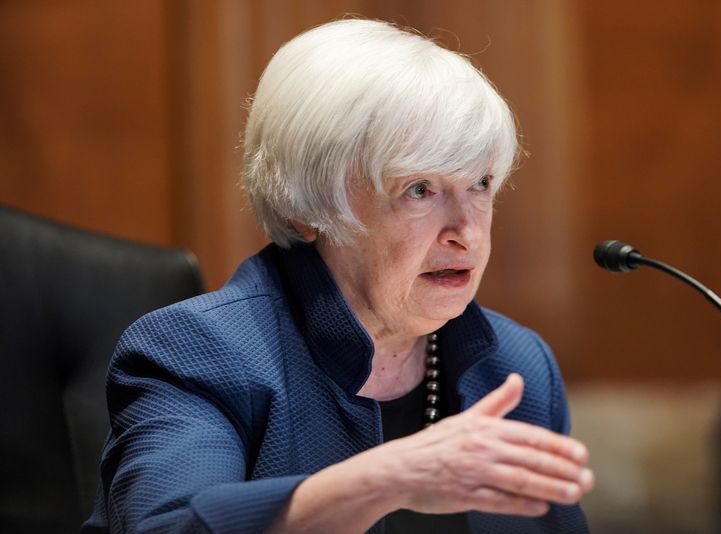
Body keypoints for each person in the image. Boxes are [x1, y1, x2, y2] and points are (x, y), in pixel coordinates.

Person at [84, 18, 593, 533]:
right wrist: (386, 480)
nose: (468, 233)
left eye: (480, 183)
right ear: (309, 205)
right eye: (420, 189)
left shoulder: (515, 366)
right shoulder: (198, 352)